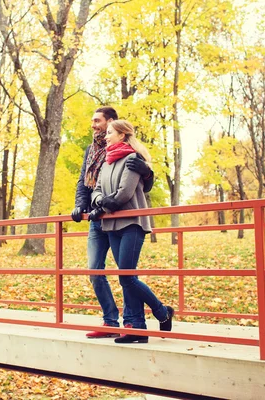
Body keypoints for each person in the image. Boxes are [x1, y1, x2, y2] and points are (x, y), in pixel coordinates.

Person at [71, 106, 155, 338]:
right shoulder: (92, 151)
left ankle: (133, 322)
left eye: (98, 121)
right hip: (97, 218)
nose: (94, 125)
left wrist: (148, 173)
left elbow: (141, 186)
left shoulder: (129, 153)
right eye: (92, 121)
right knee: (94, 270)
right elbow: (85, 182)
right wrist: (81, 204)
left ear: (111, 123)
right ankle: (110, 321)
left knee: (126, 273)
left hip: (118, 217)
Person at [90, 119, 174, 344]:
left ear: (122, 135)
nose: (106, 137)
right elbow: (96, 189)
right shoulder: (107, 162)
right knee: (127, 277)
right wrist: (98, 201)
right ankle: (136, 326)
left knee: (126, 277)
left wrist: (101, 207)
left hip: (132, 224)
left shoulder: (133, 159)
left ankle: (162, 312)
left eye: (110, 133)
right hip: (112, 226)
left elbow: (125, 194)